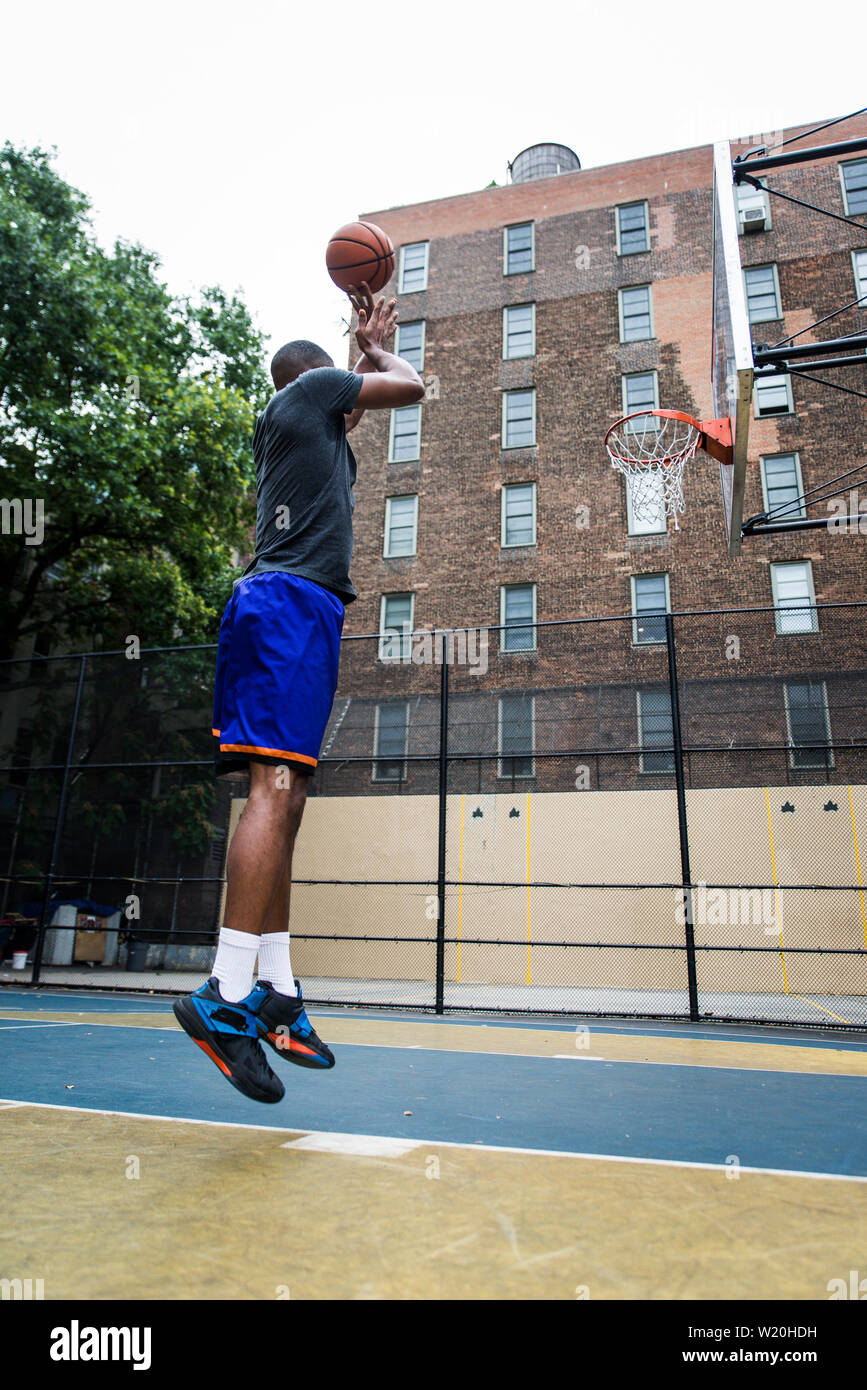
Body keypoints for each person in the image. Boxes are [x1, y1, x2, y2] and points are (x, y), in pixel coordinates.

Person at [174, 285, 425, 1102]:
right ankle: (225, 993)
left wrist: (361, 344)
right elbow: (408, 387)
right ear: (317, 382)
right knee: (272, 796)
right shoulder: (307, 393)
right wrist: (380, 350)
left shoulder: (306, 423)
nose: (350, 404)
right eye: (341, 387)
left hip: (295, 612)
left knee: (289, 795)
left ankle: (274, 991)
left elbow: (354, 409)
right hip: (285, 608)